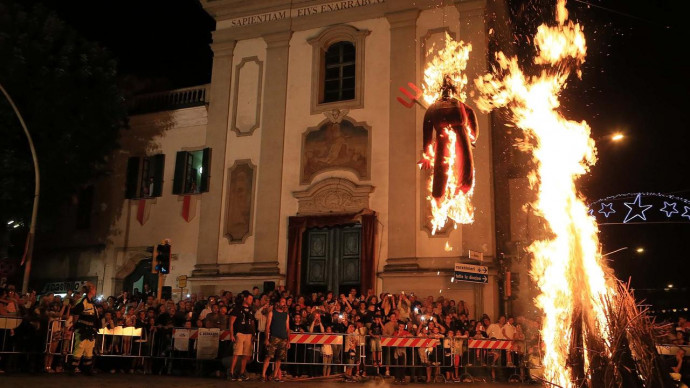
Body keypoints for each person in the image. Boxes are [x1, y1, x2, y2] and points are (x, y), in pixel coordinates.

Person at [418, 75, 479, 206]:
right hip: (444, 137)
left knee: (465, 164)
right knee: (442, 165)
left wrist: (472, 136)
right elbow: (427, 130)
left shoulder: (456, 104)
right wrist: (427, 154)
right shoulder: (434, 107)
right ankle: (439, 194)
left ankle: (459, 190)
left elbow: (471, 115)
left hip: (460, 135)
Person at [69, 282, 101, 375]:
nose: (95, 291)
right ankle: (73, 368)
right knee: (80, 347)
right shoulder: (83, 301)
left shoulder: (92, 303)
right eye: (94, 289)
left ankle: (87, 369)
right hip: (82, 329)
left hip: (90, 330)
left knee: (89, 348)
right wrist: (76, 326)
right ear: (91, 290)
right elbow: (75, 314)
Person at [229, 291, 256, 381]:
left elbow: (252, 322)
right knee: (237, 353)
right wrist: (232, 334)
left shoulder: (251, 310)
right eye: (250, 299)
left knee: (246, 355)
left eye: (252, 299)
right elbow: (231, 322)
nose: (251, 301)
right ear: (245, 299)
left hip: (248, 334)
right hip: (240, 333)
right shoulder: (237, 309)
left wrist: (253, 333)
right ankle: (231, 372)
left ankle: (241, 373)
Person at [262, 297, 290, 382]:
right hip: (274, 337)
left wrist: (288, 341)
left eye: (285, 302)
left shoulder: (286, 315)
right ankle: (263, 375)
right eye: (282, 302)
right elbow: (267, 327)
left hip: (283, 339)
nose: (284, 304)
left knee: (279, 358)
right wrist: (266, 339)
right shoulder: (272, 313)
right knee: (269, 356)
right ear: (278, 303)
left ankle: (275, 376)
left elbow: (287, 328)